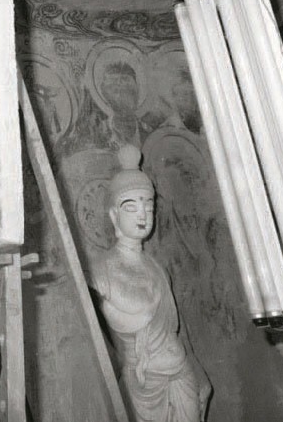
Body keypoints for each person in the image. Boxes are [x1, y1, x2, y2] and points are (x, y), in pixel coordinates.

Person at [89, 145, 210, 422]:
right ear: (113, 215)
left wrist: (198, 371)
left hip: (181, 373)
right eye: (130, 206)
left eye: (148, 204)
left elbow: (177, 330)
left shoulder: (157, 267)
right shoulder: (100, 272)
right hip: (144, 385)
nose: (142, 214)